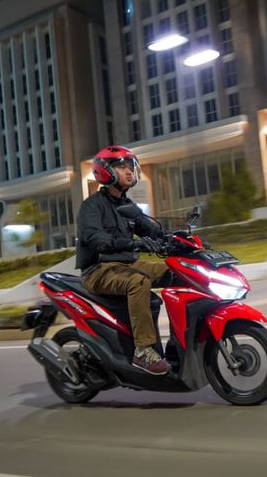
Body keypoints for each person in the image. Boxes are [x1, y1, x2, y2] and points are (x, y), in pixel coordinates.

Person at [75, 145, 170, 375]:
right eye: (121, 167)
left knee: (174, 270)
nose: (129, 171)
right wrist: (132, 243)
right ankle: (143, 350)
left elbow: (151, 230)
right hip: (99, 269)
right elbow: (95, 239)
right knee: (138, 282)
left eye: (130, 166)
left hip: (127, 264)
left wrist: (177, 238)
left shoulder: (128, 207)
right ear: (105, 171)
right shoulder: (91, 206)